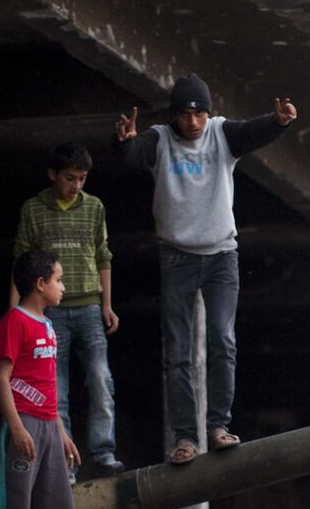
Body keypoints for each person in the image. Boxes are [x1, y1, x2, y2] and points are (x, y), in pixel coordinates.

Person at [112, 73, 297, 464]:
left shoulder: (221, 134)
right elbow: (135, 153)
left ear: (208, 114)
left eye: (199, 114)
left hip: (221, 256)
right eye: (184, 115)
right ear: (174, 116)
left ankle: (217, 427)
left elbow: (252, 132)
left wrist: (278, 122)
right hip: (176, 257)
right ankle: (185, 437)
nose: (193, 123)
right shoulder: (161, 139)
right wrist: (124, 142)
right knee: (177, 352)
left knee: (222, 340)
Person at [13, 142, 124, 476]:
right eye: (70, 178)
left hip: (89, 305)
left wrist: (107, 304)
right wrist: (16, 314)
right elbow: (20, 262)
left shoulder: (95, 207)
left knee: (101, 380)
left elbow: (103, 255)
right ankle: (66, 465)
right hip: (49, 315)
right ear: (52, 175)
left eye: (82, 178)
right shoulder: (33, 209)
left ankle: (103, 454)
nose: (76, 185)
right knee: (55, 391)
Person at [0, 250, 83, 509]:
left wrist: (61, 432)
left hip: (49, 426)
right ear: (40, 284)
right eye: (58, 279)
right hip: (23, 425)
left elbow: (47, 387)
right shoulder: (14, 322)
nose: (63, 286)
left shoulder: (47, 326)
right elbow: (1, 380)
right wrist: (16, 428)